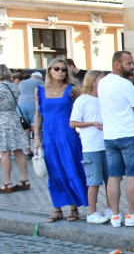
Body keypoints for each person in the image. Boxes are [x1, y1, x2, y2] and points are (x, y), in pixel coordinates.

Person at [98, 51, 134, 227]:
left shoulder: (102, 83)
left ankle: (115, 215)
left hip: (110, 136)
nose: (133, 66)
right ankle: (132, 215)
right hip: (129, 134)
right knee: (133, 175)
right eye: (129, 63)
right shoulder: (126, 84)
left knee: (114, 176)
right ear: (117, 64)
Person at [33, 58, 88, 221]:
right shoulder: (39, 90)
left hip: (67, 135)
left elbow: (87, 103)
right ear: (49, 70)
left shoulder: (71, 89)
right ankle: (56, 208)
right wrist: (36, 137)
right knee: (54, 172)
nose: (60, 72)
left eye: (64, 69)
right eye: (56, 68)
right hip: (49, 136)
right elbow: (38, 115)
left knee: (71, 169)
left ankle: (74, 207)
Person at [70, 71, 113, 224]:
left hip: (107, 143)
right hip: (91, 146)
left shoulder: (105, 99)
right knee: (94, 181)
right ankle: (92, 212)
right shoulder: (83, 100)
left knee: (110, 179)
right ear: (93, 82)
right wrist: (91, 123)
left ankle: (111, 208)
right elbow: (73, 122)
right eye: (101, 79)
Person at [0, 64, 31, 193]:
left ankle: (7, 183)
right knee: (19, 151)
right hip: (14, 118)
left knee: (5, 153)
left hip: (2, 120)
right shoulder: (15, 86)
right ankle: (24, 180)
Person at [18, 71, 43, 146]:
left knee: (25, 129)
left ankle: (27, 149)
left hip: (20, 106)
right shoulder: (41, 82)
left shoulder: (22, 83)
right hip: (33, 105)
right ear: (40, 77)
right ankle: (38, 147)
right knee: (36, 127)